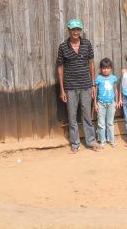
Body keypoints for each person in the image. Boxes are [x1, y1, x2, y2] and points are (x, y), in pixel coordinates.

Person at [56, 19, 100, 153]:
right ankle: (75, 144)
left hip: (86, 85)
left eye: (78, 29)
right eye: (73, 29)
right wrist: (62, 89)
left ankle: (91, 141)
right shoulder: (63, 47)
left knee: (87, 115)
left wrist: (93, 85)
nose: (75, 32)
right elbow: (60, 67)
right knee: (72, 116)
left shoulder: (87, 44)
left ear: (80, 31)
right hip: (70, 87)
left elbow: (91, 64)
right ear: (68, 30)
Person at [93, 58, 118, 148]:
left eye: (107, 68)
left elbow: (115, 90)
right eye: (103, 68)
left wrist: (117, 101)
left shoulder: (113, 78)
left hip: (111, 103)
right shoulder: (99, 78)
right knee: (101, 123)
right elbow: (95, 92)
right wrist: (95, 104)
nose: (106, 70)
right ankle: (102, 140)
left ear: (110, 68)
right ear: (101, 68)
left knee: (110, 123)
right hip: (101, 104)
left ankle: (111, 140)